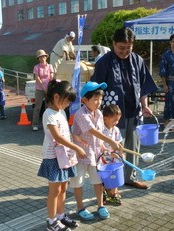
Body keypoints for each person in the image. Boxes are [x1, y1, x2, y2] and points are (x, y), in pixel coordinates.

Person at [91, 26, 158, 189]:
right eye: (121, 47)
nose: (125, 51)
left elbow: (143, 87)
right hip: (111, 115)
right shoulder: (104, 62)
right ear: (114, 43)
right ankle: (108, 182)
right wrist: (95, 114)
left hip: (134, 111)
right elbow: (95, 89)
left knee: (132, 146)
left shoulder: (137, 60)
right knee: (111, 149)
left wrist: (144, 106)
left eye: (128, 48)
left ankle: (130, 177)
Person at [37, 80, 86, 231]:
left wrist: (75, 139)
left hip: (65, 156)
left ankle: (60, 216)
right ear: (57, 96)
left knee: (64, 188)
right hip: (53, 157)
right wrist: (76, 148)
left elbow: (66, 133)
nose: (67, 105)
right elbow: (57, 137)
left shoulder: (61, 112)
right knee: (54, 191)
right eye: (66, 101)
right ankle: (51, 222)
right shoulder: (49, 113)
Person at [70, 81, 122, 220]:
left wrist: (105, 148)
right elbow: (92, 131)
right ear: (85, 100)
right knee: (78, 182)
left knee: (98, 181)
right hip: (80, 154)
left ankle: (100, 205)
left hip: (95, 155)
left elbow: (98, 136)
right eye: (95, 99)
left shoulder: (98, 113)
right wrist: (111, 141)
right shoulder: (81, 114)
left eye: (100, 99)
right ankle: (80, 207)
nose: (99, 102)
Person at [100, 104, 124, 206]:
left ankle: (113, 193)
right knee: (103, 178)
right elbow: (99, 145)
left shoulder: (116, 130)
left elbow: (120, 144)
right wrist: (109, 152)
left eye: (118, 120)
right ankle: (104, 194)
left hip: (114, 159)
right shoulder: (100, 130)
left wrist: (121, 154)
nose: (116, 123)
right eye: (114, 120)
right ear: (105, 118)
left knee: (115, 176)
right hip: (103, 159)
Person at [32, 49, 55, 131]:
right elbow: (37, 78)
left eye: (43, 56)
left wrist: (49, 88)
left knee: (48, 107)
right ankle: (35, 124)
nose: (42, 58)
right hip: (39, 89)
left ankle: (47, 125)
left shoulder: (50, 66)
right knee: (37, 107)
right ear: (38, 59)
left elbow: (51, 78)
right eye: (40, 57)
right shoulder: (36, 67)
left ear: (46, 57)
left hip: (48, 88)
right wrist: (44, 88)